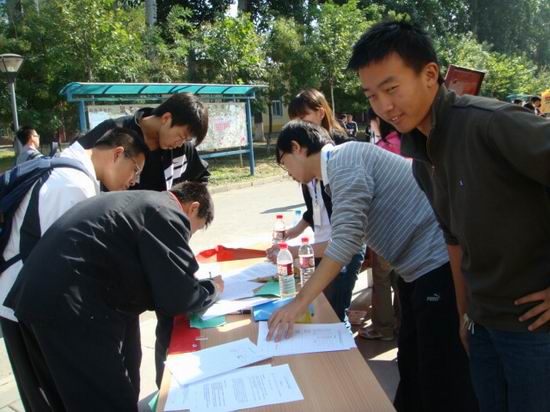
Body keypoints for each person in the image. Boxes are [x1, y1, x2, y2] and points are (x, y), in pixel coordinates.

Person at [347, 20, 550, 412]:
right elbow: (453, 240)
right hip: (483, 323)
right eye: (372, 96)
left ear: (429, 75)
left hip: (534, 328)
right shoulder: (422, 156)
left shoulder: (490, 124)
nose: (384, 106)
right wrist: (462, 313)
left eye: (391, 88)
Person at [269, 120, 478, 412]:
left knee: (439, 370)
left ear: (297, 148)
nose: (288, 173)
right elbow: (345, 236)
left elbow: (345, 242)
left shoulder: (344, 160)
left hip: (435, 264)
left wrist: (299, 303)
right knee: (412, 362)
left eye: (284, 163)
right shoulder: (335, 173)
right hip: (416, 271)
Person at [5, 182, 223, 412]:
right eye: (194, 228)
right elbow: (178, 297)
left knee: (67, 398)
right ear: (192, 207)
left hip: (39, 297)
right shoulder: (167, 212)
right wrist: (213, 288)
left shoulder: (143, 202)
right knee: (108, 400)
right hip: (70, 307)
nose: (188, 236)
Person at [0, 127, 147, 411]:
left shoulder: (74, 174)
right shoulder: (72, 186)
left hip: (28, 301)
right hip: (26, 308)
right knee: (48, 397)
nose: (134, 181)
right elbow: (60, 267)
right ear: (118, 154)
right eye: (135, 170)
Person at [77, 92, 210, 389]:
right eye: (181, 135)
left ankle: (167, 391)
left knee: (171, 316)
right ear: (166, 118)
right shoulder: (116, 132)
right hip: (118, 252)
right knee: (122, 343)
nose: (180, 143)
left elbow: (200, 179)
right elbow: (81, 167)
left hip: (160, 247)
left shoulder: (182, 149)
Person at [267, 88, 365, 325]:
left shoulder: (338, 157)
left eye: (303, 117)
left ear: (321, 112)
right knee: (325, 308)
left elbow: (347, 241)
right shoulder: (316, 160)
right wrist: (294, 234)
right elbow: (314, 207)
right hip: (326, 242)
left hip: (340, 244)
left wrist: (296, 253)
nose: (289, 174)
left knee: (333, 312)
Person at [359, 108, 403, 341]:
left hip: (385, 224)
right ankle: (401, 323)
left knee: (382, 278)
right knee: (402, 277)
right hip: (409, 224)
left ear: (378, 121)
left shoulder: (381, 148)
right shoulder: (407, 143)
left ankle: (383, 328)